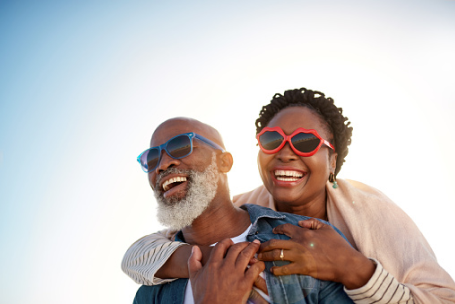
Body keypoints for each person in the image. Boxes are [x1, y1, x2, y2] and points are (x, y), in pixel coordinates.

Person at [123, 88, 455, 304]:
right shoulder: (239, 208)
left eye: (306, 142)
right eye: (271, 141)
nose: (285, 153)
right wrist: (208, 262)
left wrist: (354, 269)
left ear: (332, 161)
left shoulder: (370, 213)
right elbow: (143, 253)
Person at [131, 116, 355, 303]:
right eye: (151, 159)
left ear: (224, 162)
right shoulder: (150, 293)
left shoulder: (307, 240)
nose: (162, 165)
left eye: (180, 146)